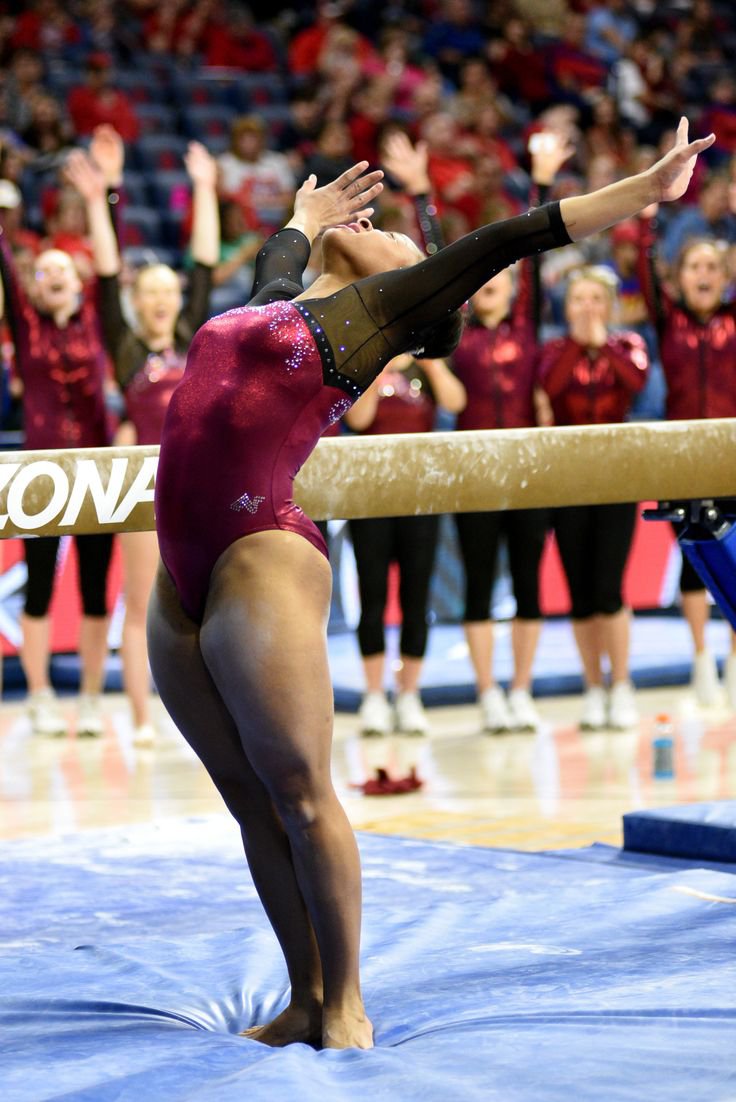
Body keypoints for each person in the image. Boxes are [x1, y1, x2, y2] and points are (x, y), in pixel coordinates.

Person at [146, 119, 713, 1050]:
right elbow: (269, 276)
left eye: (406, 242)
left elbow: (507, 239)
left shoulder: (367, 319)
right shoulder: (288, 306)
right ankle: (303, 995)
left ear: (404, 289)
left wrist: (643, 194)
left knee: (299, 794)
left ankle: (347, 1005)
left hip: (258, 552)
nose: (392, 230)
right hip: (184, 574)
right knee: (249, 800)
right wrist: (300, 217)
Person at [65, 125, 219, 747]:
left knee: (202, 606)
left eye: (168, 291)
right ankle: (138, 716)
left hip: (198, 483)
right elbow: (104, 276)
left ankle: (207, 713)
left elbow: (205, 262)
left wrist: (205, 188)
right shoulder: (128, 350)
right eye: (148, 292)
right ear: (137, 302)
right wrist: (105, 193)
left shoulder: (197, 342)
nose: (160, 299)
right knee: (140, 602)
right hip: (142, 485)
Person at [450, 129, 572, 734]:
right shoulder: (456, 331)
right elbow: (438, 267)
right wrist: (423, 193)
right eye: (484, 273)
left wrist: (541, 182)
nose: (494, 278)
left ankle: (520, 689)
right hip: (474, 468)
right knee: (477, 586)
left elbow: (534, 248)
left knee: (527, 584)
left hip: (526, 469)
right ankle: (485, 693)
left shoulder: (526, 324)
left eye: (504, 274)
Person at [0, 186, 113, 739]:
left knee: (94, 589)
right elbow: (6, 270)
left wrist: (101, 198)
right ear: (34, 285)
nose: (52, 276)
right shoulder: (27, 328)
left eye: (61, 267)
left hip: (97, 469)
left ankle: (91, 696)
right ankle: (41, 692)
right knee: (40, 586)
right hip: (41, 470)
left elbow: (110, 277)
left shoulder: (96, 321)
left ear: (77, 277)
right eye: (41, 271)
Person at [537, 267, 649, 730]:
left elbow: (636, 386)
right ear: (566, 308)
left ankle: (621, 683)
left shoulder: (628, 345)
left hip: (616, 473)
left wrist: (602, 343)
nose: (587, 309)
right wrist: (583, 344)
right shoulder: (554, 351)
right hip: (568, 475)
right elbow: (553, 388)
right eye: (578, 300)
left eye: (595, 300)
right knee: (580, 591)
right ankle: (592, 686)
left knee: (609, 587)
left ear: (609, 305)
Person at [637, 206, 736, 707]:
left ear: (725, 279)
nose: (703, 275)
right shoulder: (668, 321)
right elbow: (646, 274)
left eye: (712, 268)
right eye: (694, 267)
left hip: (731, 454)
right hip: (683, 456)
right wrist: (649, 223)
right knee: (693, 562)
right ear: (678, 279)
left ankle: (734, 659)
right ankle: (701, 658)